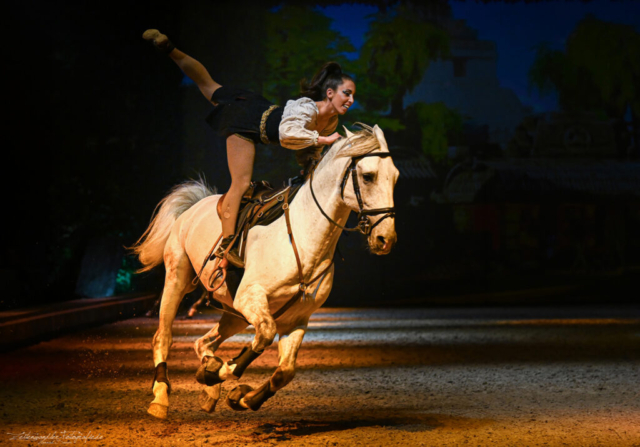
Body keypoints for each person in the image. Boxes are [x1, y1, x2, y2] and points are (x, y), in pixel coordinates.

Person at [142, 30, 355, 268]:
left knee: (209, 85)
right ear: (329, 93)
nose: (351, 100)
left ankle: (169, 48)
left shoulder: (331, 122)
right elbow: (288, 135)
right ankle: (226, 244)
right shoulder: (307, 108)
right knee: (241, 184)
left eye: (353, 95)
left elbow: (307, 150)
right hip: (247, 124)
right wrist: (323, 141)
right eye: (346, 93)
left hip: (257, 107)